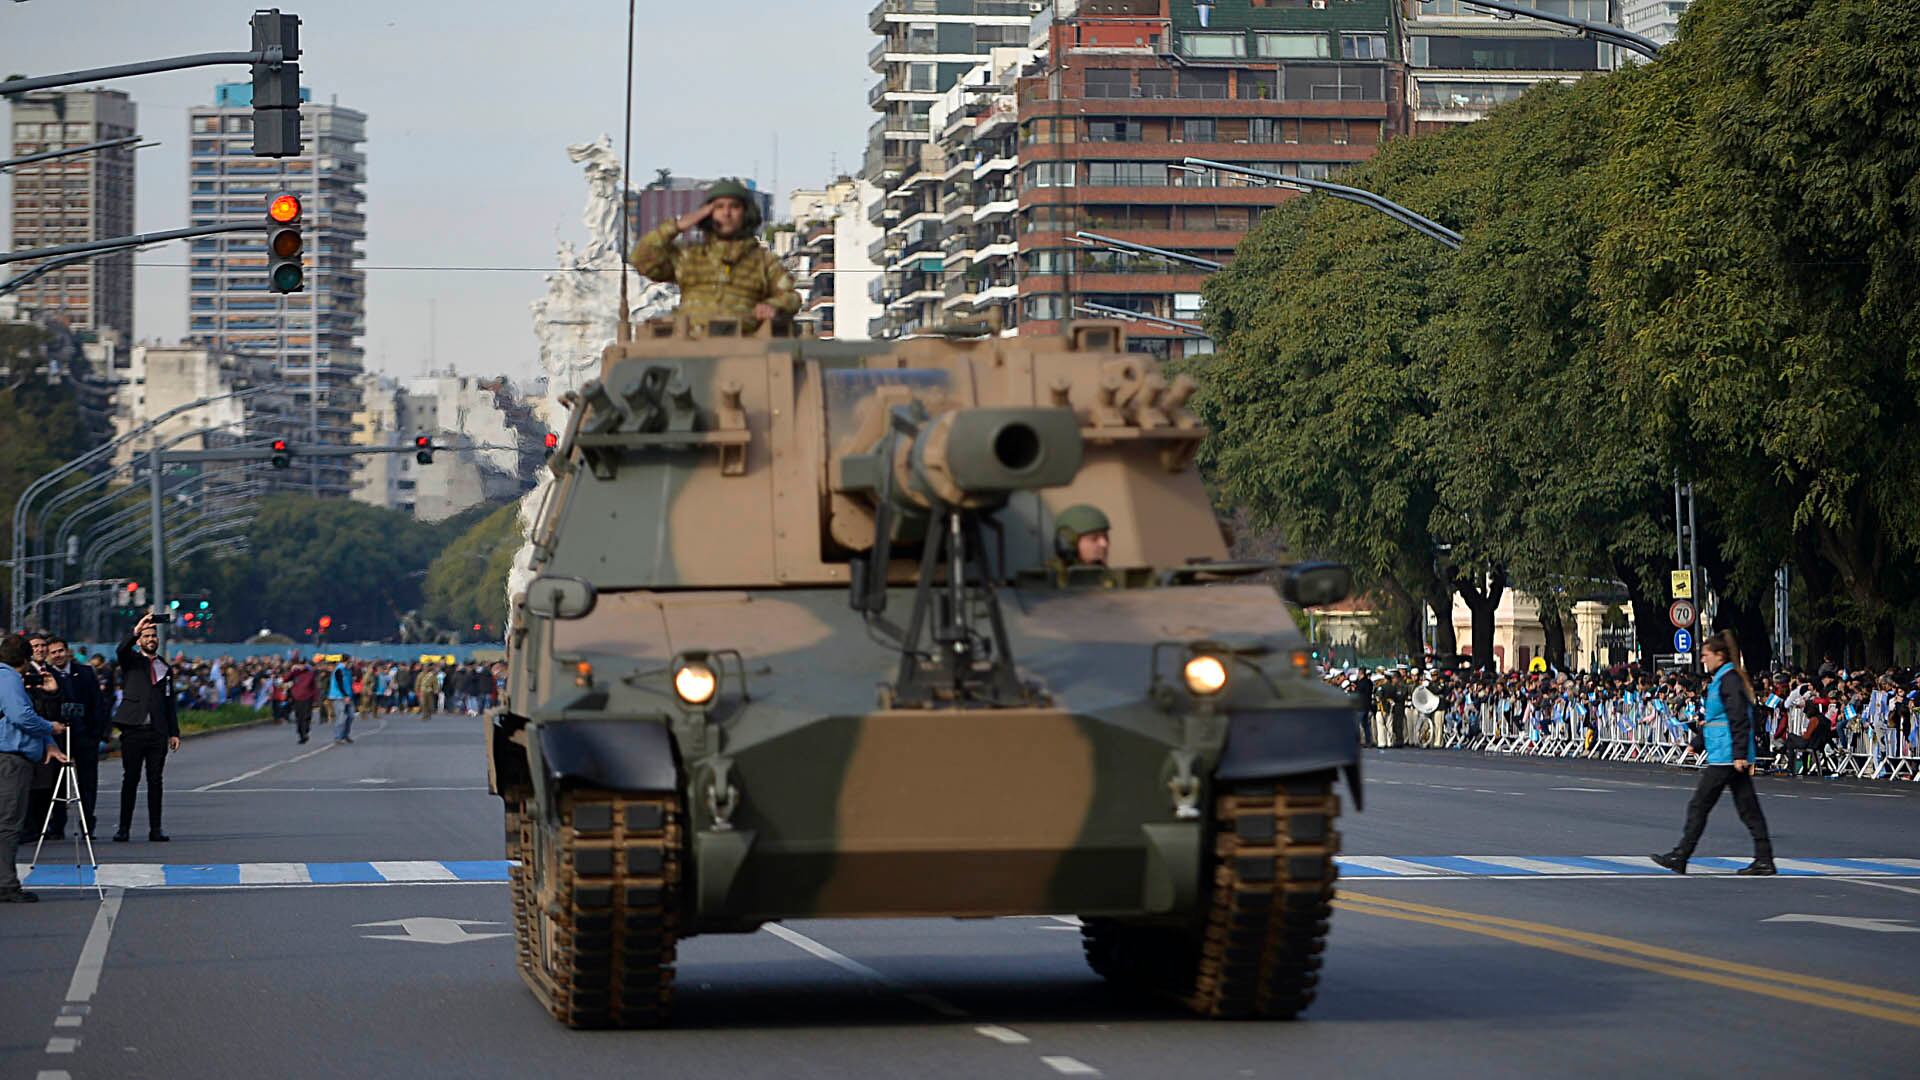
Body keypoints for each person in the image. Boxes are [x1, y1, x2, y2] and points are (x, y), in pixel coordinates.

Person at [1653, 631, 1775, 876]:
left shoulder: (1729, 679)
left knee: (1700, 804)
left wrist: (1740, 753)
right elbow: (1716, 719)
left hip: (1727, 755)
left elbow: (1738, 717)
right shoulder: (1724, 678)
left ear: (1719, 655)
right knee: (1747, 808)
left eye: (1706, 655)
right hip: (1726, 752)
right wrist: (1697, 743)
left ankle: (1681, 855)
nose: (1703, 660)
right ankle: (1764, 858)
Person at [628, 179, 802, 331]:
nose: (726, 213)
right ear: (708, 213)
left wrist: (772, 307)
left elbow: (791, 297)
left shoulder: (763, 261)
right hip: (690, 342)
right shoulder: (689, 256)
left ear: (745, 213)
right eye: (719, 207)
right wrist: (677, 226)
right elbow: (641, 259)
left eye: (734, 207)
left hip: (745, 342)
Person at [1, 633, 69, 903]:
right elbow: (21, 715)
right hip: (10, 758)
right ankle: (6, 884)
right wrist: (49, 727)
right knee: (8, 824)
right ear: (26, 658)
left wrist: (48, 743)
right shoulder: (8, 678)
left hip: (14, 754)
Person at [112, 612, 180, 842]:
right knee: (130, 779)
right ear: (140, 640)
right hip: (133, 729)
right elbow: (121, 650)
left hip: (157, 732)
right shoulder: (131, 661)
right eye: (147, 636)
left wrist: (174, 732)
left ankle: (156, 828)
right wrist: (136, 628)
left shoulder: (165, 668)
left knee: (155, 780)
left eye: (154, 636)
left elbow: (170, 702)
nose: (151, 639)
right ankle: (123, 828)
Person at [44, 638, 106, 840]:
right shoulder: (46, 675)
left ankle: (88, 824)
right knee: (57, 782)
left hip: (85, 735)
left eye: (60, 651)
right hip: (59, 737)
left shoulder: (85, 672)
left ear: (67, 651)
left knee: (87, 782)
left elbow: (98, 703)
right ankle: (57, 824)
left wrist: (97, 732)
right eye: (53, 652)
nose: (57, 655)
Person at [325, 657, 357, 744]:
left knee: (351, 716)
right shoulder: (339, 670)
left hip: (348, 696)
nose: (351, 664)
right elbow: (339, 684)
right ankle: (338, 737)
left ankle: (345, 735)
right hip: (339, 697)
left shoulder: (348, 671)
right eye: (350, 662)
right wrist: (345, 695)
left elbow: (349, 684)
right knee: (341, 717)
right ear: (346, 662)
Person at [288, 658, 317, 744]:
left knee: (307, 716)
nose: (301, 666)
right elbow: (286, 679)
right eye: (299, 664)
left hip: (307, 698)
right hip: (297, 698)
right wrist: (292, 671)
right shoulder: (295, 673)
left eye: (302, 664)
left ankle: (305, 733)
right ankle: (301, 734)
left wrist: (315, 699)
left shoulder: (310, 673)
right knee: (299, 716)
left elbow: (314, 687)